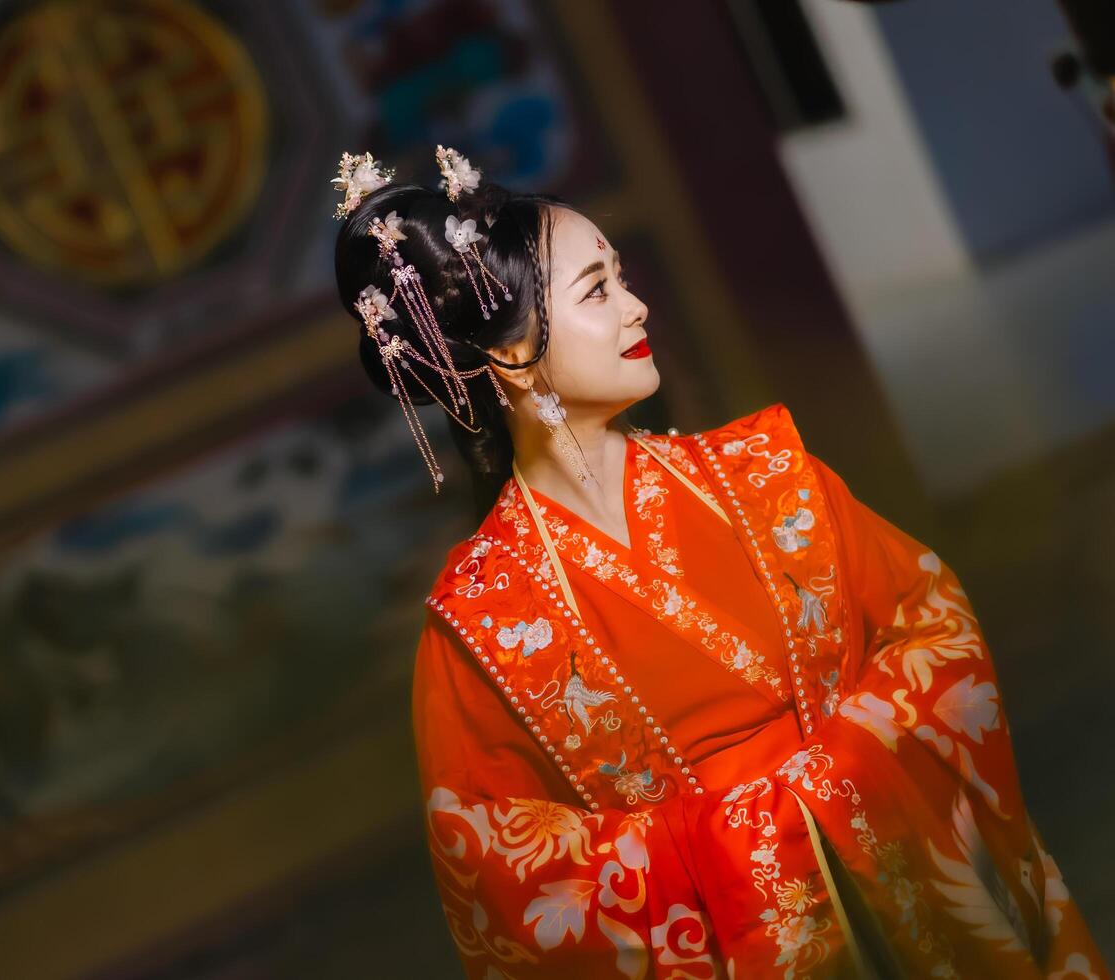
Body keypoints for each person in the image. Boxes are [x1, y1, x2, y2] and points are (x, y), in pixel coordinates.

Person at [331, 147, 1109, 978]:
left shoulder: (768, 475)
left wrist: (824, 786)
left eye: (623, 277)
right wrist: (738, 850)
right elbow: (504, 878)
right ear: (513, 356)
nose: (637, 308)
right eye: (598, 289)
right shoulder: (481, 624)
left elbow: (930, 625)